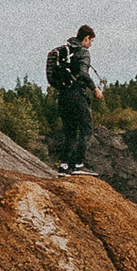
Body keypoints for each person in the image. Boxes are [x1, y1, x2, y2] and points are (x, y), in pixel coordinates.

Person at [51, 22, 98, 173]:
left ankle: (63, 166)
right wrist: (95, 88)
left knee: (70, 132)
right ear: (86, 38)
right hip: (77, 96)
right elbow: (84, 74)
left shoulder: (66, 51)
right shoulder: (83, 52)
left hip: (63, 96)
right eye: (91, 41)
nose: (90, 44)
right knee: (86, 129)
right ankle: (78, 165)